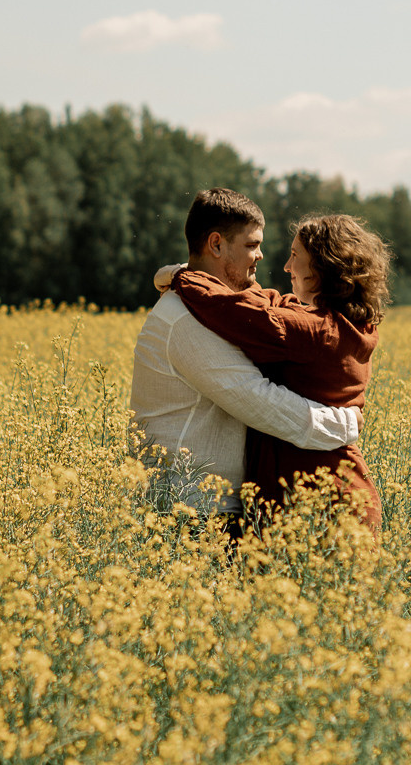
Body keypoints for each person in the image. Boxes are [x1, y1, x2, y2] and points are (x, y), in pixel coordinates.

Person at [130, 188, 363, 530]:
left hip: (211, 507)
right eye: (252, 245)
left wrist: (177, 272)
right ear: (216, 244)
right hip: (190, 512)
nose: (261, 256)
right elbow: (259, 400)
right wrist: (345, 425)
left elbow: (274, 307)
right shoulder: (185, 320)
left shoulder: (216, 306)